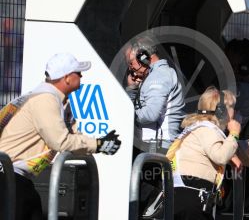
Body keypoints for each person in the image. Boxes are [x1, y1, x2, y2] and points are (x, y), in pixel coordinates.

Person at [0, 53, 122, 220]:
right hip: (7, 178)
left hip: (14, 177)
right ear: (67, 78)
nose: (81, 76)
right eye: (78, 73)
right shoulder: (45, 100)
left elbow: (73, 136)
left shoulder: (55, 100)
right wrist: (99, 144)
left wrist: (99, 143)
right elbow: (61, 141)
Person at [166, 86, 241, 220]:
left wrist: (231, 154)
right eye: (231, 107)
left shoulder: (197, 127)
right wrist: (234, 134)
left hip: (181, 193)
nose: (234, 111)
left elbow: (206, 151)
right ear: (221, 111)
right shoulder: (208, 129)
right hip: (192, 197)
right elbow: (220, 156)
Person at [125, 36, 185, 155]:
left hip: (160, 146)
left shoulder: (158, 76)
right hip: (157, 144)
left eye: (131, 63)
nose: (131, 68)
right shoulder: (156, 75)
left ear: (143, 57)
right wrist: (132, 89)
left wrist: (126, 114)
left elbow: (150, 114)